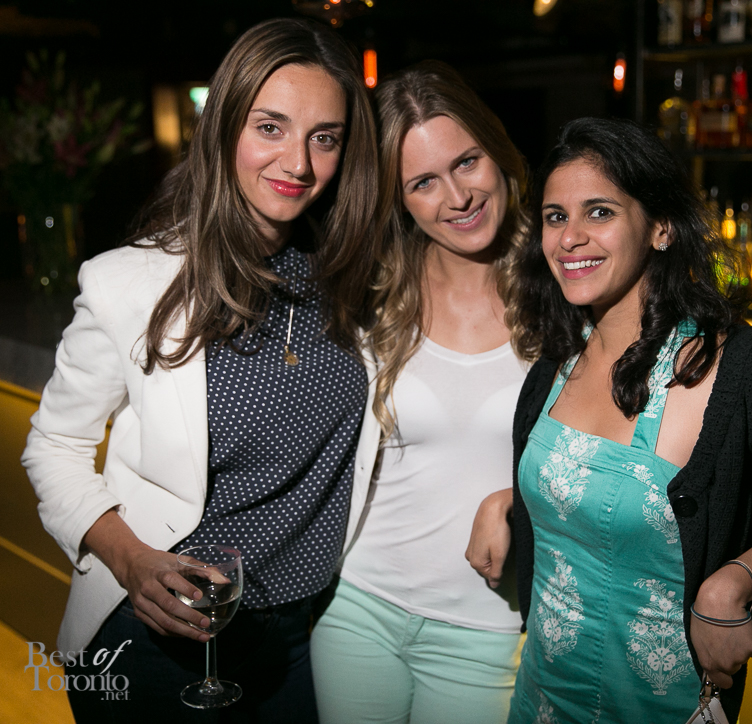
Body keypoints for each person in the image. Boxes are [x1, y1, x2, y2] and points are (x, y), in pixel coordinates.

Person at [21, 18, 379, 722]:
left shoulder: (355, 284)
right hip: (154, 638)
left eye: (325, 138)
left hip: (303, 639)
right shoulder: (130, 283)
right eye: (269, 127)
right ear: (222, 129)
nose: (298, 163)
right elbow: (54, 444)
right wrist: (129, 559)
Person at [503, 117, 752, 723]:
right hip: (542, 697)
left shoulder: (746, 377)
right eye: (555, 217)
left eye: (599, 212)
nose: (570, 237)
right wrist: (503, 500)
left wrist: (730, 584)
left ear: (660, 227)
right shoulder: (556, 362)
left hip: (664, 708)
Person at [309, 60, 531, 724]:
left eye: (467, 162)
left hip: (489, 625)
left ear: (497, 153)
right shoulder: (373, 296)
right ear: (399, 199)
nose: (457, 197)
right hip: (357, 606)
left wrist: (521, 500)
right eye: (423, 182)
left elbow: (618, 448)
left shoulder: (563, 287)